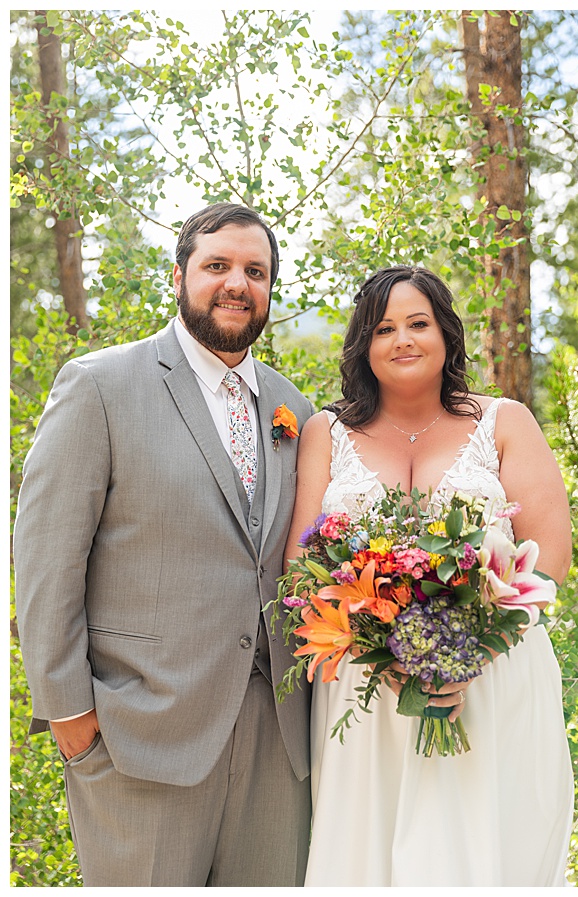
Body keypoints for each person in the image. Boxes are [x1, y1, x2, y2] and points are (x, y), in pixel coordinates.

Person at [13, 203, 315, 885]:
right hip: (137, 739)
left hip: (275, 747)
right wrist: (70, 713)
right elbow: (45, 558)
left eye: (256, 270)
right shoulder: (100, 385)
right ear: (178, 276)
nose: (238, 282)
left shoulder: (293, 408)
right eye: (218, 266)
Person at [287, 265, 574, 886]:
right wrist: (380, 649)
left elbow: (550, 552)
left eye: (419, 323)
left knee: (485, 851)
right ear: (364, 345)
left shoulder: (504, 421)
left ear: (446, 334)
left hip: (493, 674)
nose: (403, 339)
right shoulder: (325, 433)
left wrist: (468, 645)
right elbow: (301, 570)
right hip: (365, 689)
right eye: (384, 328)